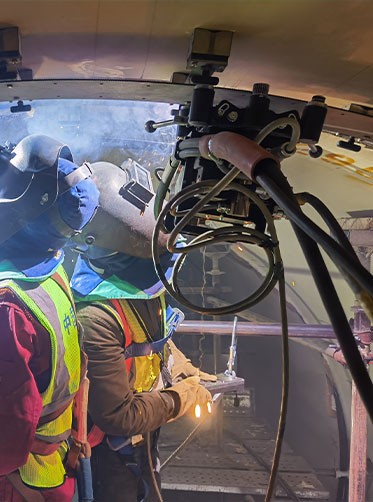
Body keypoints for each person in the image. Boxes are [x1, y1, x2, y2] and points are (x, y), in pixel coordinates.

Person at [70, 160, 215, 502]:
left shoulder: (141, 286)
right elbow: (118, 416)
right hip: (108, 453)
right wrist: (183, 397)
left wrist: (180, 369)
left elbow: (153, 337)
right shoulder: (96, 315)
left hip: (145, 433)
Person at [0, 134, 100, 501]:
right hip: (55, 470)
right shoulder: (51, 272)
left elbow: (7, 431)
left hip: (17, 481)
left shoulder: (8, 307)